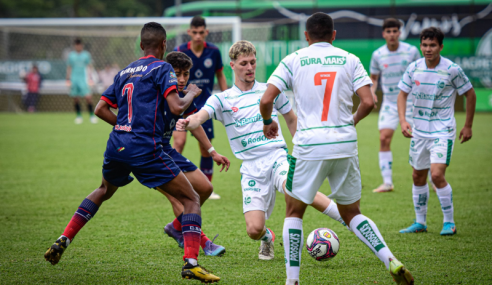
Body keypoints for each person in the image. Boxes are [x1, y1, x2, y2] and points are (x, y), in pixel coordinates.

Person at [44, 22, 220, 283]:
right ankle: (191, 263)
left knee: (103, 190)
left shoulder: (125, 71)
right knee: (192, 198)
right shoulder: (162, 68)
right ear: (163, 45)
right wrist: (192, 92)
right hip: (146, 147)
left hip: (117, 144)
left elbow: (100, 109)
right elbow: (176, 107)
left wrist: (125, 126)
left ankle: (64, 238)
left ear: (141, 45)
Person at [260, 13, 414, 285]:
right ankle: (390, 259)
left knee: (294, 211)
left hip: (308, 146)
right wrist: (350, 122)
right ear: (333, 35)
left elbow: (266, 99)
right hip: (344, 144)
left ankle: (292, 281)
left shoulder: (293, 59)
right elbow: (368, 101)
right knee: (352, 212)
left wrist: (267, 121)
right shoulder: (350, 58)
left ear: (306, 36)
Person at [177, 40, 347, 262]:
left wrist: (302, 148)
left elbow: (291, 119)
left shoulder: (270, 91)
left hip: (276, 156)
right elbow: (199, 117)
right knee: (254, 230)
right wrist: (187, 122)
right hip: (250, 167)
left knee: (295, 188)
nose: (249, 67)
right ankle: (268, 238)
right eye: (244, 63)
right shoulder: (222, 99)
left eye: (253, 62)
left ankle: (348, 218)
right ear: (233, 65)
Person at [397, 27, 476, 236]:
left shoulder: (452, 69)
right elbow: (402, 94)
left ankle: (449, 222)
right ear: (420, 46)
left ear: (441, 46)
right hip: (419, 132)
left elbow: (470, 94)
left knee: (437, 174)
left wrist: (468, 125)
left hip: (443, 131)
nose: (428, 49)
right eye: (424, 45)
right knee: (417, 176)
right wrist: (403, 120)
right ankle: (420, 222)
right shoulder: (413, 67)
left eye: (432, 45)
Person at [160, 51, 229, 257]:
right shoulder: (157, 91)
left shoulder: (184, 96)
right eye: (177, 74)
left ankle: (175, 226)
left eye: (186, 74)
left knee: (205, 188)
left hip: (166, 149)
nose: (182, 79)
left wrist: (212, 151)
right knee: (180, 199)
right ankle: (203, 242)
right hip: (147, 153)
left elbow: (193, 123)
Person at [173, 16, 228, 199]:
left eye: (201, 32)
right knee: (178, 143)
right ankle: (173, 183)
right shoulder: (179, 51)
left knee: (205, 148)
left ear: (206, 32)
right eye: (194, 32)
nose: (198, 36)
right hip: (181, 105)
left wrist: (226, 97)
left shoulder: (213, 51)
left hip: (204, 107)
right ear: (189, 33)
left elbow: (220, 74)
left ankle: (207, 186)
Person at [370, 18, 421, 193]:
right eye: (388, 31)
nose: (392, 35)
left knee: (421, 139)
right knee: (384, 138)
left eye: (395, 31)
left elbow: (420, 74)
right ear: (384, 34)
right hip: (390, 103)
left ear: (400, 33)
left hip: (412, 103)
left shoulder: (411, 51)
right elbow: (374, 78)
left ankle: (432, 179)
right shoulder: (378, 54)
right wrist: (372, 93)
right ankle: (387, 183)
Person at [67, 38, 97, 124]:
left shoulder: (86, 55)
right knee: (76, 98)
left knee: (88, 97)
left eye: (79, 45)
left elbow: (90, 66)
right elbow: (69, 67)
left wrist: (91, 78)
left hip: (84, 79)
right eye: (76, 45)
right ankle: (79, 116)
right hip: (74, 79)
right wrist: (68, 79)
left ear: (82, 45)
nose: (78, 46)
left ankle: (91, 115)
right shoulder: (71, 56)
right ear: (74, 46)